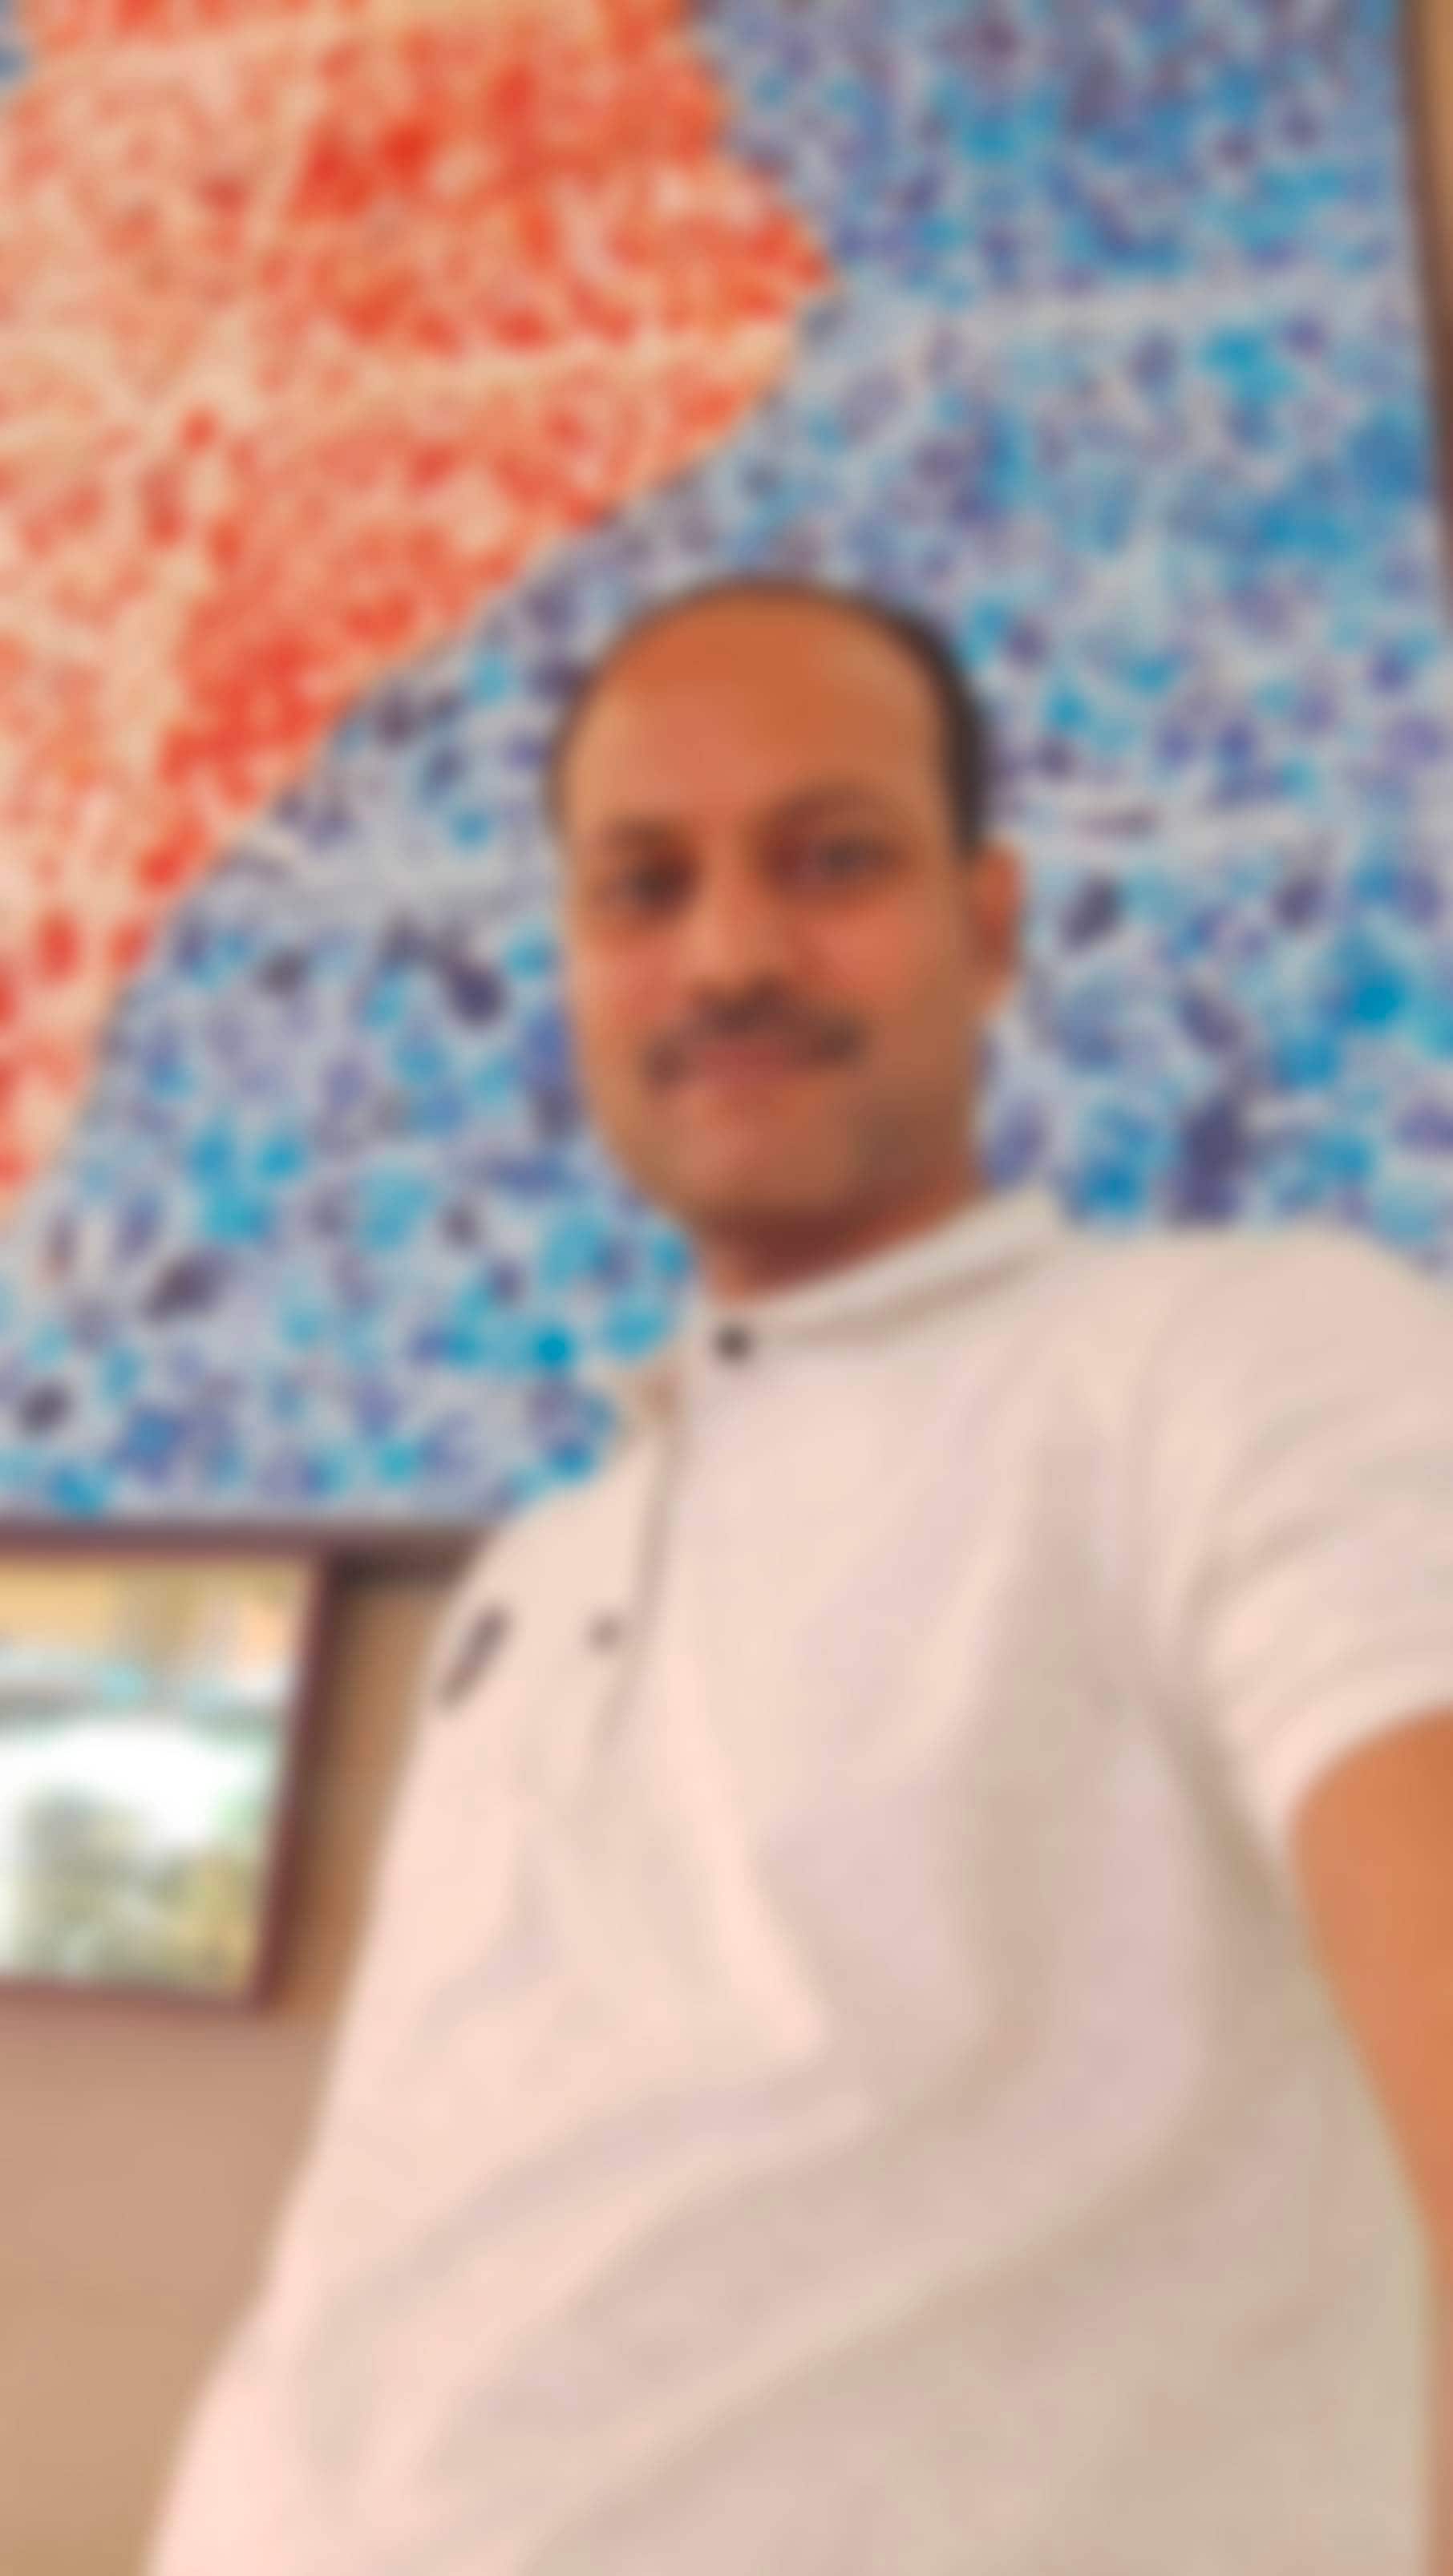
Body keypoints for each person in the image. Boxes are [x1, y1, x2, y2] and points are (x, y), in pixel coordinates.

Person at [148, 579, 1453, 2575]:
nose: (731, 952)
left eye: (832, 858)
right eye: (642, 886)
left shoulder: (1241, 1365)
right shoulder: (535, 1568)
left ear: (988, 925)